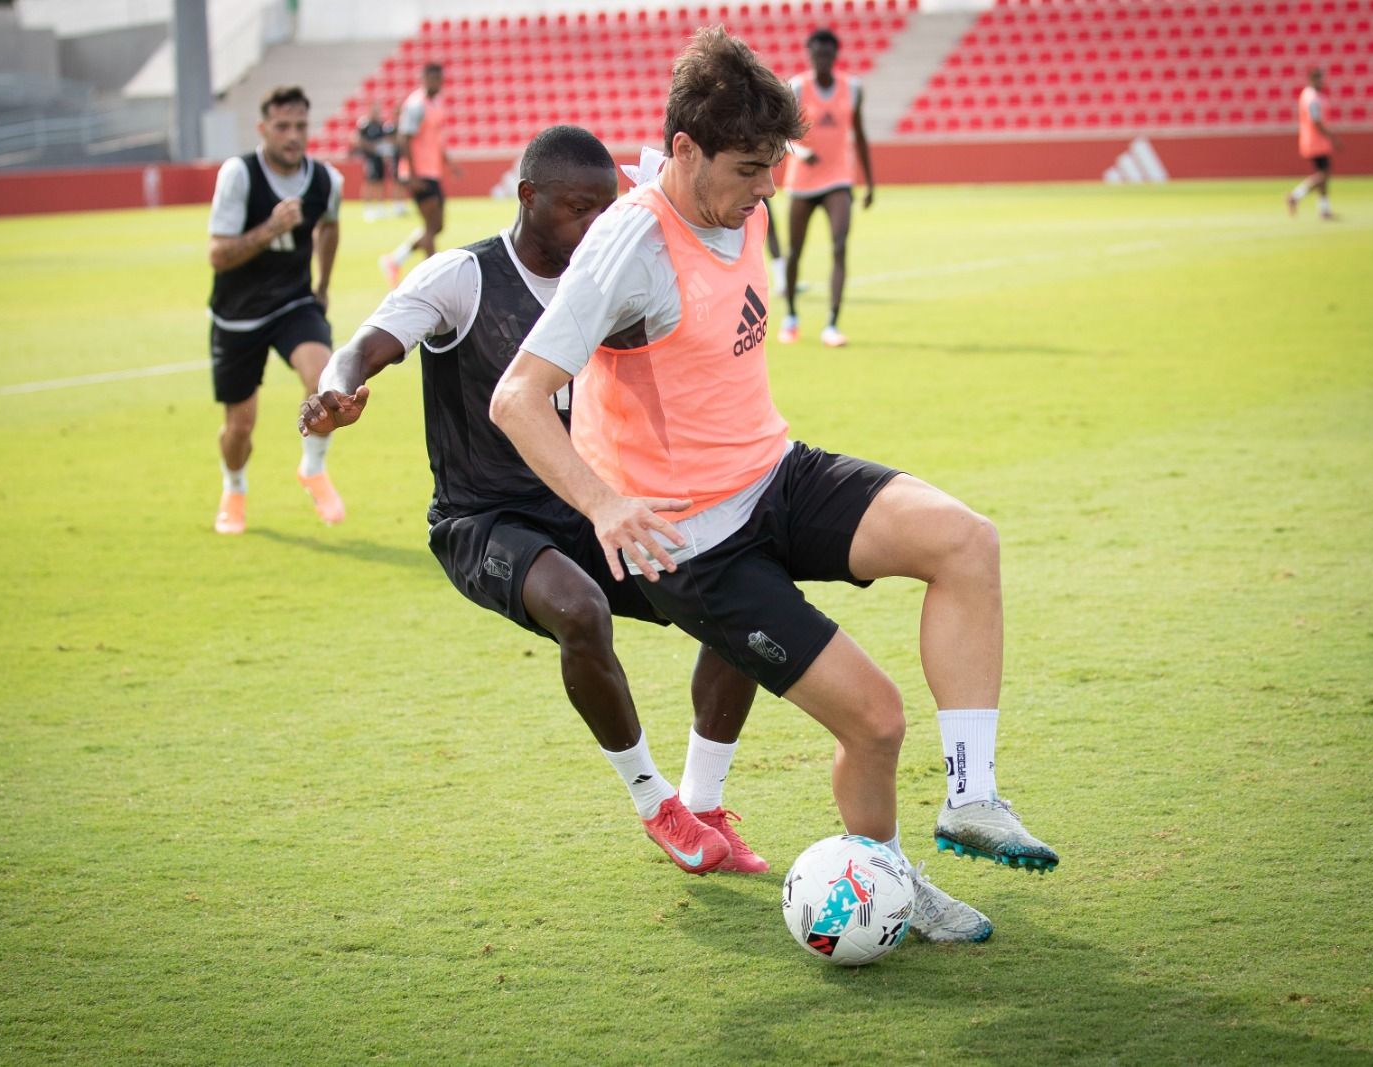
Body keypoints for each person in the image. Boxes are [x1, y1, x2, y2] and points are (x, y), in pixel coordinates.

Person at [492, 29, 1061, 943]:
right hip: (698, 544)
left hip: (775, 474)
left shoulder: (727, 184)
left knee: (966, 539)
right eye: (753, 168)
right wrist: (602, 502)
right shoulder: (626, 248)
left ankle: (973, 796)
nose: (769, 190)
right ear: (685, 152)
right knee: (874, 721)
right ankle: (895, 886)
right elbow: (517, 398)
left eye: (775, 164)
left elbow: (736, 109)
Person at [299, 126, 766, 876]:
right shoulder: (461, 275)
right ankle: (657, 805)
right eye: (576, 209)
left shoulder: (608, 281)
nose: (592, 227)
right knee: (580, 610)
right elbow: (367, 344)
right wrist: (335, 388)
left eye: (602, 209)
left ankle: (705, 800)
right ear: (528, 197)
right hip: (482, 522)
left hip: (584, 504)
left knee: (746, 591)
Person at [207, 85, 346, 535]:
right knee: (239, 428)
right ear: (263, 128)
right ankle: (234, 487)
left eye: (300, 126)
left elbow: (329, 226)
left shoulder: (326, 180)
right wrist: (270, 228)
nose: (292, 136)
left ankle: (312, 467)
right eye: (282, 127)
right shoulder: (239, 175)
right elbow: (217, 255)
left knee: (327, 382)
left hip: (294, 303)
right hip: (238, 314)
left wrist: (322, 285)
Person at [777, 28, 875, 349]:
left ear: (835, 56)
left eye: (827, 53)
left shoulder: (852, 89)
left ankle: (832, 323)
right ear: (810, 55)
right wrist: (802, 151)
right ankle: (791, 317)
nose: (822, 59)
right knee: (795, 252)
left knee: (839, 244)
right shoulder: (798, 88)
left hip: (838, 179)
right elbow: (784, 137)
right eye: (817, 53)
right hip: (802, 181)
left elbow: (859, 135)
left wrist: (870, 181)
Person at [381, 63, 461, 287]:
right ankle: (434, 279)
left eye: (439, 78)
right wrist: (412, 174)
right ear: (424, 79)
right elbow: (404, 138)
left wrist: (449, 164)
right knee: (430, 227)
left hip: (432, 171)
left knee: (437, 226)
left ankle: (395, 259)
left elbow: (435, 140)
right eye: (432, 78)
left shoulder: (436, 104)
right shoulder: (416, 105)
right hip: (419, 174)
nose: (437, 83)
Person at [1286, 67, 1339, 221]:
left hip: (1318, 140)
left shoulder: (1314, 96)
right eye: (1319, 78)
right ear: (1312, 79)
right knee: (1323, 174)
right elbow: (1316, 120)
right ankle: (1295, 196)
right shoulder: (1311, 98)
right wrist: (1332, 137)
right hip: (1315, 140)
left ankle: (1324, 208)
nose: (1322, 82)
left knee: (1324, 174)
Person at [355, 104, 401, 220]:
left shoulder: (381, 126)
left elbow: (386, 141)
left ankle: (380, 207)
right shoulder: (365, 125)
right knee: (370, 182)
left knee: (380, 182)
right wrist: (372, 147)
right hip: (370, 158)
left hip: (380, 158)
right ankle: (368, 208)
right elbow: (358, 140)